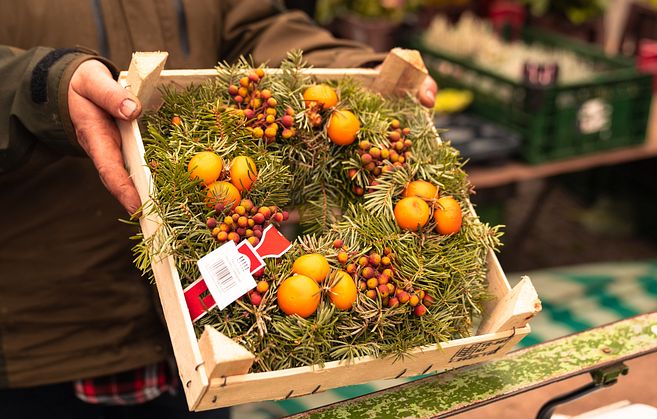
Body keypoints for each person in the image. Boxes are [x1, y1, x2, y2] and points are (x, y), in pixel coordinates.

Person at [0, 1, 437, 418]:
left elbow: (253, 25)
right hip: (46, 335)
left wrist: (353, 72)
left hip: (212, 329)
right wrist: (44, 84)